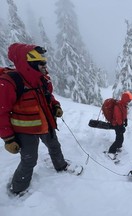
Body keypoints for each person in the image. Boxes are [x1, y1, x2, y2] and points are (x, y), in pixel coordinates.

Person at [0, 43, 78, 196]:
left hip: (45, 123)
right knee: (29, 159)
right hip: (24, 131)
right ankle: (18, 188)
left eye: (45, 62)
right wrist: (8, 139)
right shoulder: (9, 82)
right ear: (29, 63)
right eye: (40, 63)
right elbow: (1, 112)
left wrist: (56, 106)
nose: (44, 66)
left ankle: (61, 166)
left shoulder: (42, 79)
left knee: (54, 146)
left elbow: (49, 97)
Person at [107, 91, 132, 159]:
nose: (129, 101)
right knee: (119, 139)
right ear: (125, 99)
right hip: (116, 124)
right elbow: (118, 117)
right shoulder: (118, 106)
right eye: (128, 100)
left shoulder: (124, 105)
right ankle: (111, 151)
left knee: (120, 138)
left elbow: (124, 114)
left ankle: (118, 147)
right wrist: (121, 126)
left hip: (120, 124)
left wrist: (126, 120)